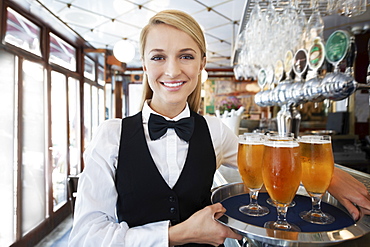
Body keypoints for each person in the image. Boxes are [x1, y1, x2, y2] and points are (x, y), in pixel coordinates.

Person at [69, 9, 370, 247]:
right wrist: (175, 235)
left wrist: (330, 177)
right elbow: (86, 237)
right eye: (159, 57)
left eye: (186, 56)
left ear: (202, 64)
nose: (173, 70)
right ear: (145, 66)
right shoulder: (110, 136)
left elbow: (274, 163)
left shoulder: (215, 131)